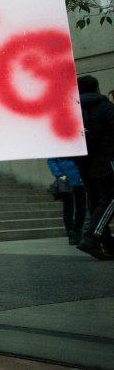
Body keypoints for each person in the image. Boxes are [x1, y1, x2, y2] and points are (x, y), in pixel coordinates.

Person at [75, 75, 114, 260]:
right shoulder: (105, 106)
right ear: (97, 88)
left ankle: (105, 242)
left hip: (83, 162)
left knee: (96, 200)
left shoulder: (73, 108)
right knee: (111, 197)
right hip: (105, 159)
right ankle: (92, 238)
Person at [46, 157, 87, 245]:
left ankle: (78, 230)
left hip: (80, 179)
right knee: (68, 208)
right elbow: (51, 160)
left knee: (82, 207)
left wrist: (84, 173)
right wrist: (59, 175)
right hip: (65, 180)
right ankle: (71, 233)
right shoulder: (57, 146)